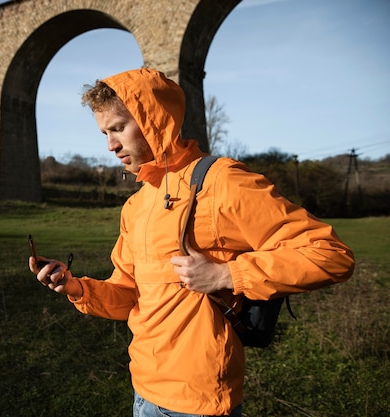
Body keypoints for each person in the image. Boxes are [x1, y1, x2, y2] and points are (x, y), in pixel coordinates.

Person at [28, 68, 354, 417]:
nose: (110, 145)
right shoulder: (136, 206)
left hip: (201, 404)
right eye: (105, 133)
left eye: (119, 128)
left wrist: (227, 275)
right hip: (144, 393)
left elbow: (331, 256)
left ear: (153, 119)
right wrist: (76, 287)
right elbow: (128, 295)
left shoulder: (221, 181)